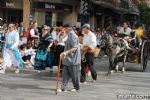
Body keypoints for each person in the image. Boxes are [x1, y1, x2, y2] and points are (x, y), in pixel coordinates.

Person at [58, 24, 81, 92]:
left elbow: (75, 47)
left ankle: (76, 87)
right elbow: (68, 45)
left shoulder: (73, 35)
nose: (63, 30)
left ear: (67, 28)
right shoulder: (68, 35)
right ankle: (63, 88)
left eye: (63, 28)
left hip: (73, 59)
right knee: (65, 74)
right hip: (67, 59)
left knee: (74, 75)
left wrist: (66, 52)